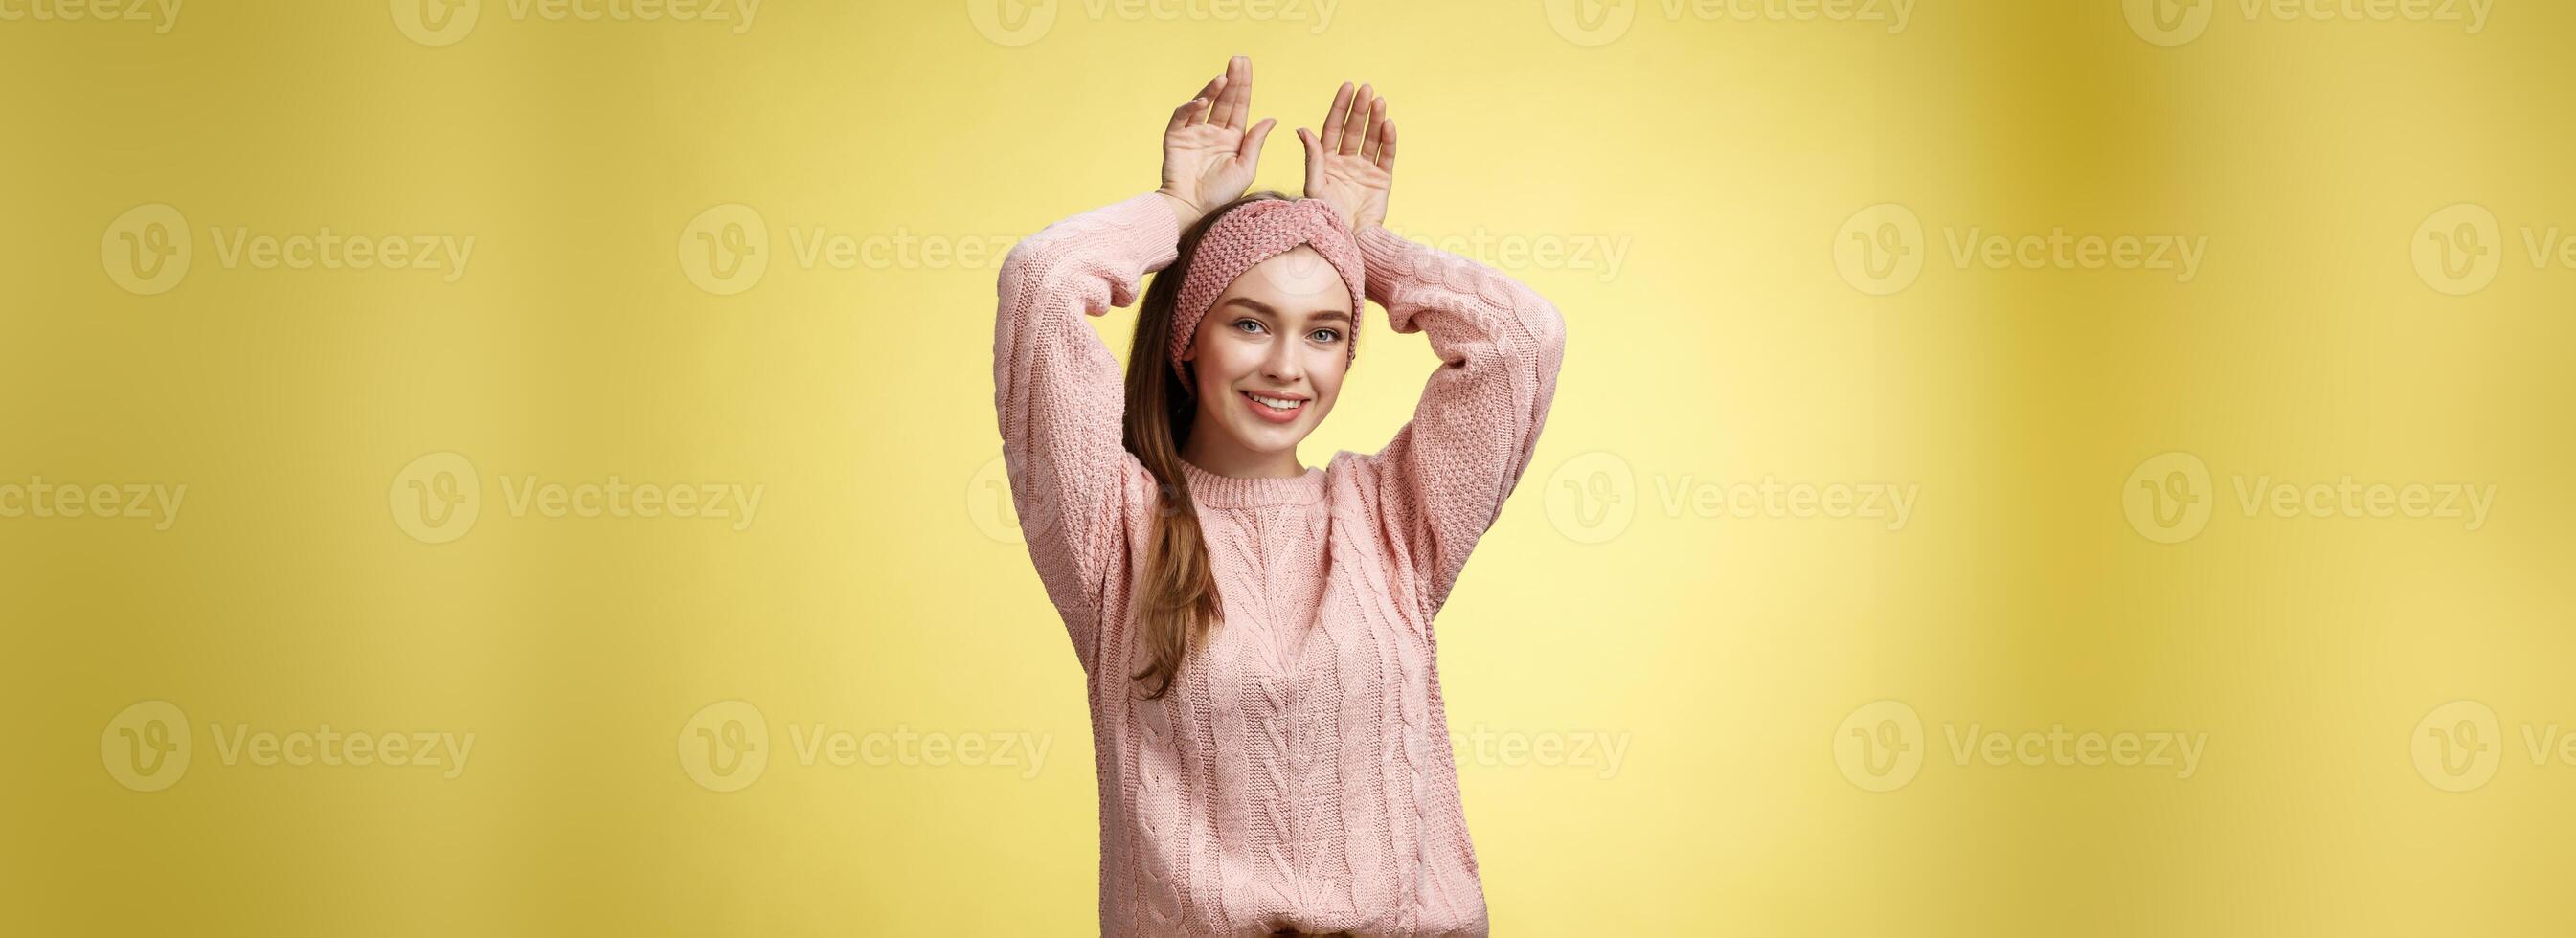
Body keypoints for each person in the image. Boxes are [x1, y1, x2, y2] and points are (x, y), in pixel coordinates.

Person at [991, 54, 1567, 936]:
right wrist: (1176, 215)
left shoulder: (1391, 520)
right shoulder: (1114, 533)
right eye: (1250, 321)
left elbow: (1520, 339)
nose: (1287, 367)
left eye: (1325, 332)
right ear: (1189, 338)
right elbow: (1040, 284)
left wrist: (1352, 240)